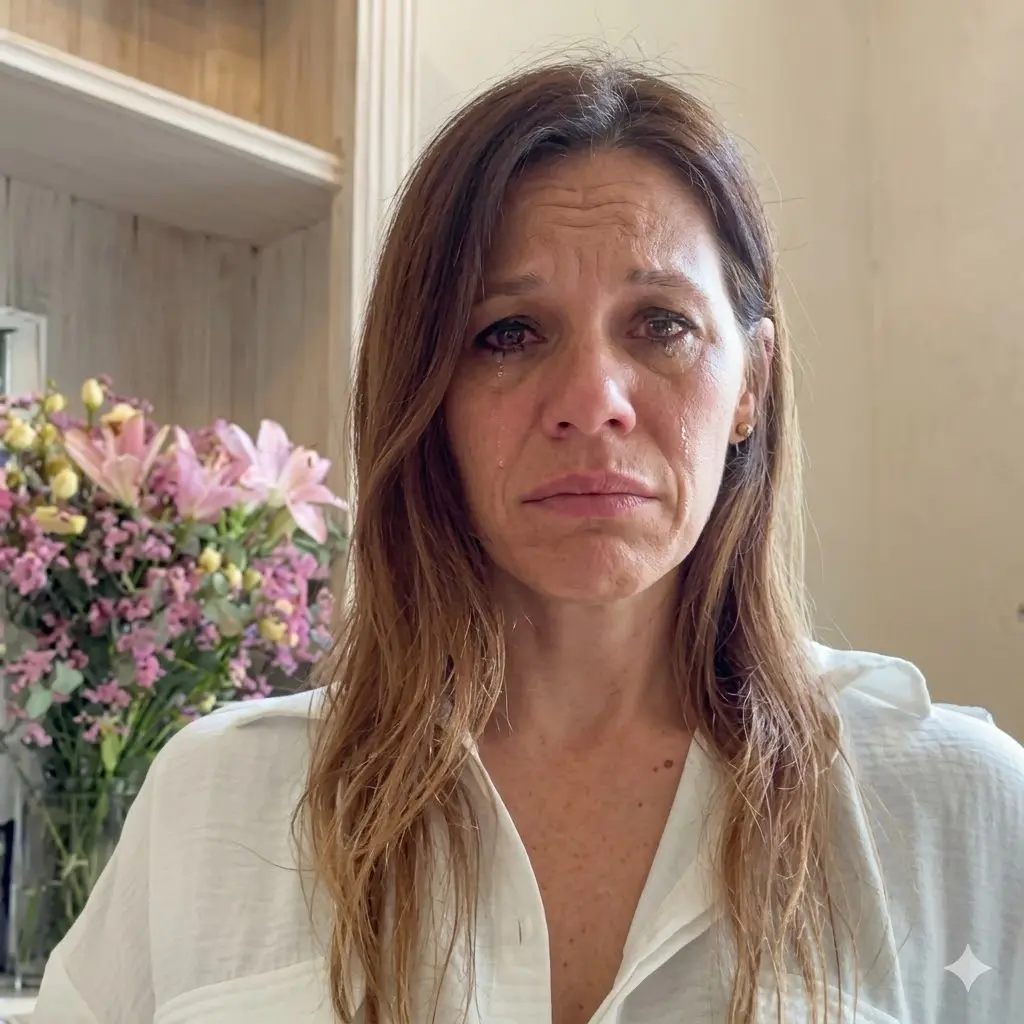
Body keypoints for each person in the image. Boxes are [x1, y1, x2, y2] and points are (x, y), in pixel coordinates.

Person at [33, 58, 1024, 1024]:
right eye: (508, 333)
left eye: (660, 325)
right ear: (427, 391)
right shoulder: (213, 804)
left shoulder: (958, 809)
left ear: (751, 384)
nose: (592, 400)